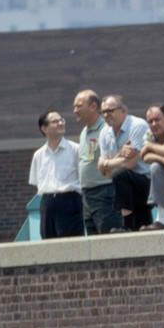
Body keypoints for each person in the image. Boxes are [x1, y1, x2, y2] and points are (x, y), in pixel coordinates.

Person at [97, 94, 153, 231]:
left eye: (110, 110)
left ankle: (126, 225)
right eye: (103, 112)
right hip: (126, 188)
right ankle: (131, 227)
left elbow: (130, 164)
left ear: (124, 111)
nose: (106, 115)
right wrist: (120, 154)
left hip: (146, 182)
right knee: (142, 228)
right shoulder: (104, 132)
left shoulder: (137, 126)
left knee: (120, 174)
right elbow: (104, 172)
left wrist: (108, 163)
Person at [28, 110, 83, 239]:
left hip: (70, 201)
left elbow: (83, 178)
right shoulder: (39, 155)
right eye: (55, 121)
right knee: (48, 244)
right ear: (44, 128)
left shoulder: (75, 149)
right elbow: (36, 182)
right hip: (47, 203)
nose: (60, 123)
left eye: (61, 120)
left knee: (71, 244)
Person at [73, 89, 122, 235]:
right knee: (94, 244)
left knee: (109, 240)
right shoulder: (84, 132)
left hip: (105, 192)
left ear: (94, 106)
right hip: (87, 195)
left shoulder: (107, 129)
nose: (75, 110)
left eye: (79, 106)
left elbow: (118, 157)